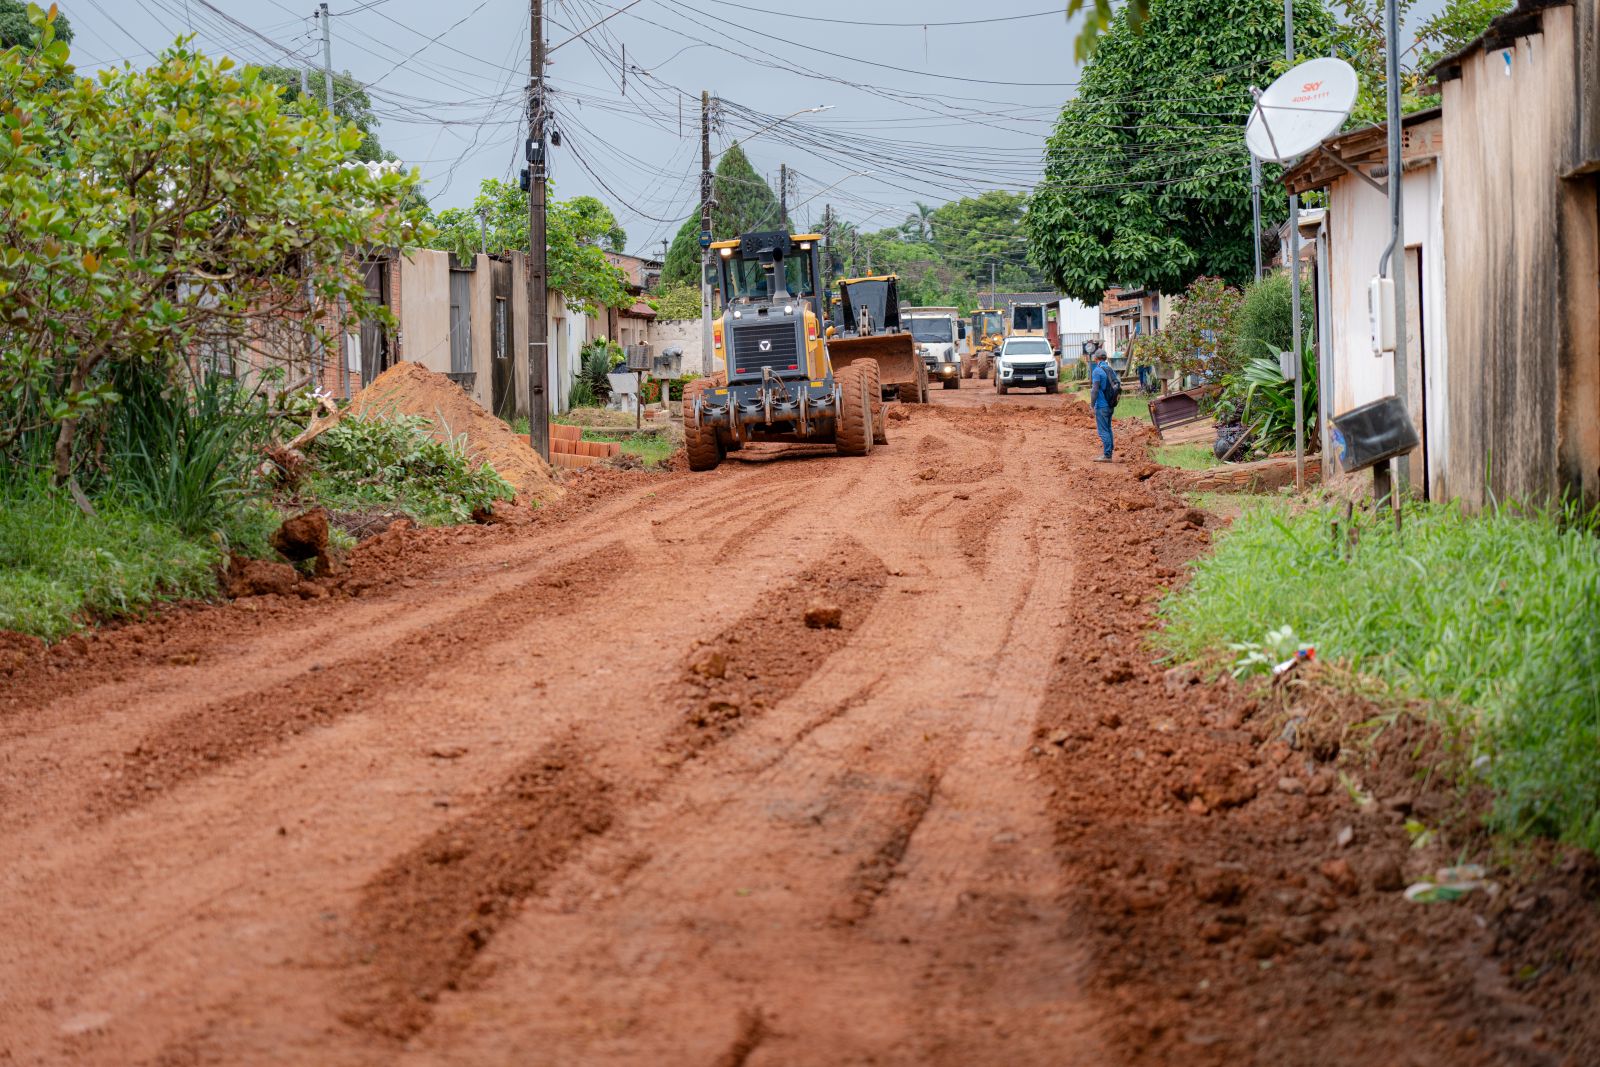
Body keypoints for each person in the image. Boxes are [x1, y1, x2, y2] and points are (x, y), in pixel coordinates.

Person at [1089, 344, 1117, 462]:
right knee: (1108, 428)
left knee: (1103, 430)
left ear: (1096, 358)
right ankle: (1109, 451)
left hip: (1102, 405)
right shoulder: (1110, 369)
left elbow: (1095, 390)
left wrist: (1092, 405)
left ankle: (1107, 455)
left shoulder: (1097, 371)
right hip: (1111, 404)